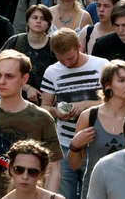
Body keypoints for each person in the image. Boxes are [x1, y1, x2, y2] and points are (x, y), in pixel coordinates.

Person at [0, 50, 63, 199]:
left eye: (9, 76)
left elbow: (53, 168)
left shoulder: (42, 118)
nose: (1, 81)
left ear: (24, 78)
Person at [41, 29, 109, 199]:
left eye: (70, 58)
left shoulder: (102, 66)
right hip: (64, 143)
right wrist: (56, 112)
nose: (67, 64)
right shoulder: (52, 72)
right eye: (60, 59)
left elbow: (114, 101)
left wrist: (86, 105)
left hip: (97, 143)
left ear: (79, 46)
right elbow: (44, 107)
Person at [67, 60, 125, 199]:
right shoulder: (89, 116)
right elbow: (75, 165)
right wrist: (75, 145)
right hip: (95, 190)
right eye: (121, 80)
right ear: (107, 86)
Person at [3, 5, 56, 104]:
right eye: (35, 18)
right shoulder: (15, 41)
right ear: (28, 21)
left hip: (45, 103)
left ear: (48, 24)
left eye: (43, 19)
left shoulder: (54, 45)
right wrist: (27, 88)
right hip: (14, 99)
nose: (38, 21)